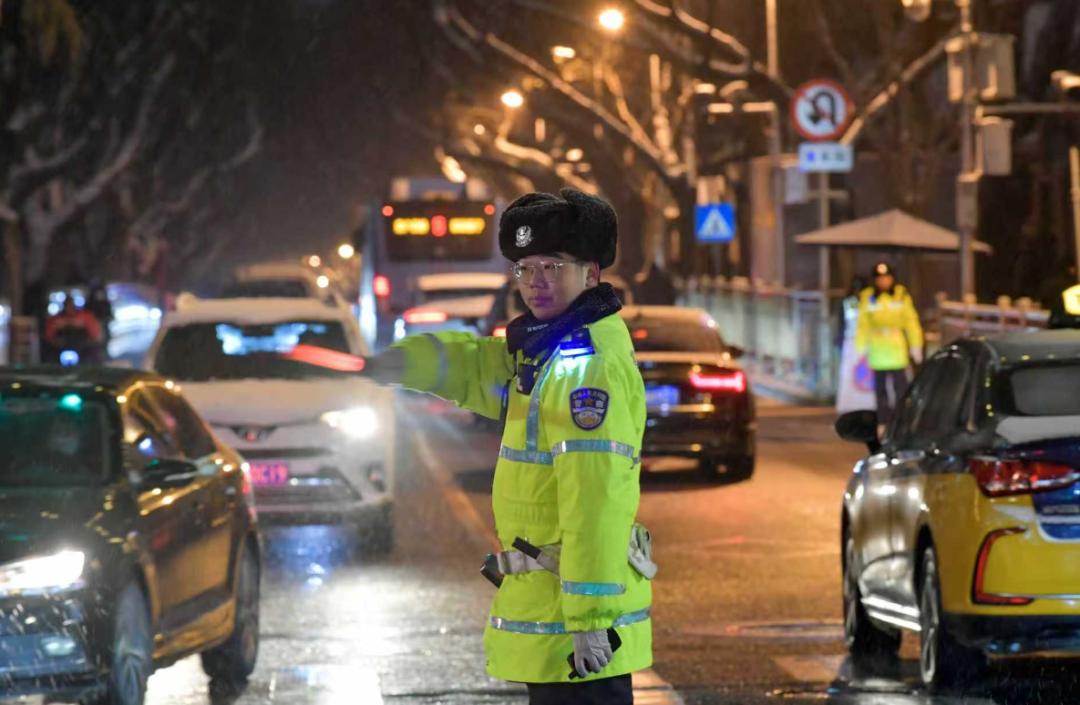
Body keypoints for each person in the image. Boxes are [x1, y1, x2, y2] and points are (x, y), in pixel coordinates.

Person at [366, 188, 653, 704]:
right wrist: (402, 362)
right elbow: (476, 366)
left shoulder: (587, 364)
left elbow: (595, 501)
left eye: (552, 266)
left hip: (577, 628)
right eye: (524, 268)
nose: (535, 282)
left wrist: (590, 618)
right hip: (554, 613)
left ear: (591, 273)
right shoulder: (544, 349)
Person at [854, 262, 924, 428]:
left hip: (896, 348)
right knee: (880, 389)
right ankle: (883, 420)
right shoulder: (868, 296)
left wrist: (916, 345)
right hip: (877, 349)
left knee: (901, 387)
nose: (884, 281)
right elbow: (863, 324)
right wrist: (860, 347)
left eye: (886, 278)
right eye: (880, 279)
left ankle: (901, 419)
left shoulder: (901, 294)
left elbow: (911, 321)